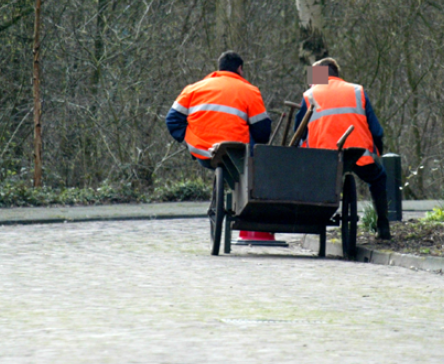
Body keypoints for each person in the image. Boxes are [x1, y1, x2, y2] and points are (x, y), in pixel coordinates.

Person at [294, 57, 391, 240]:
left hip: (323, 158)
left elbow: (298, 132)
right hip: (358, 153)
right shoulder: (357, 91)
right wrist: (377, 151)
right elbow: (377, 131)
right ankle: (383, 226)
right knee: (378, 177)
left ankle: (316, 218)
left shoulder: (309, 95)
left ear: (321, 75)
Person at [166, 51, 271, 169]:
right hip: (237, 154)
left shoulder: (193, 89)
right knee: (254, 135)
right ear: (239, 68)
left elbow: (172, 120)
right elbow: (263, 132)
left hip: (203, 152)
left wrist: (190, 139)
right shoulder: (250, 91)